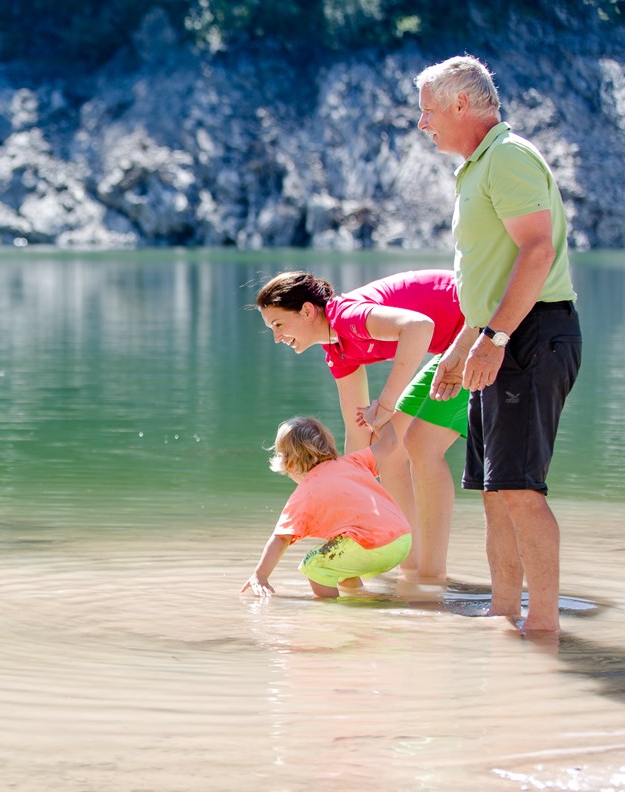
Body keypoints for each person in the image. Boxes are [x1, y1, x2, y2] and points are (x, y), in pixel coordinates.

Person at [415, 54, 581, 633]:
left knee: (520, 488)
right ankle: (505, 612)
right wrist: (462, 347)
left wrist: (494, 337)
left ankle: (544, 626)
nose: (422, 123)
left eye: (428, 110)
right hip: (500, 334)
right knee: (495, 489)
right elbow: (492, 277)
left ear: (461, 104)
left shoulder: (507, 157)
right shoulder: (478, 167)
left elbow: (537, 251)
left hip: (531, 334)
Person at [255, 269, 467, 583]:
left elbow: (420, 326)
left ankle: (432, 576)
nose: (276, 337)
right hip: (451, 349)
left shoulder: (345, 317)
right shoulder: (337, 350)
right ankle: (411, 570)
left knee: (421, 443)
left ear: (307, 311)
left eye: (278, 324)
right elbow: (358, 433)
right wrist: (344, 492)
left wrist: (387, 401)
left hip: (479, 332)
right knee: (391, 453)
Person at [241, 416, 411, 599]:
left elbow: (281, 539)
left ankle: (329, 609)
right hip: (403, 539)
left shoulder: (305, 493)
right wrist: (378, 420)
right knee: (340, 563)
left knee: (314, 565)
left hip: (375, 545)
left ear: (288, 463)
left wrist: (260, 575)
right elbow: (390, 442)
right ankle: (361, 600)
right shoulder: (353, 461)